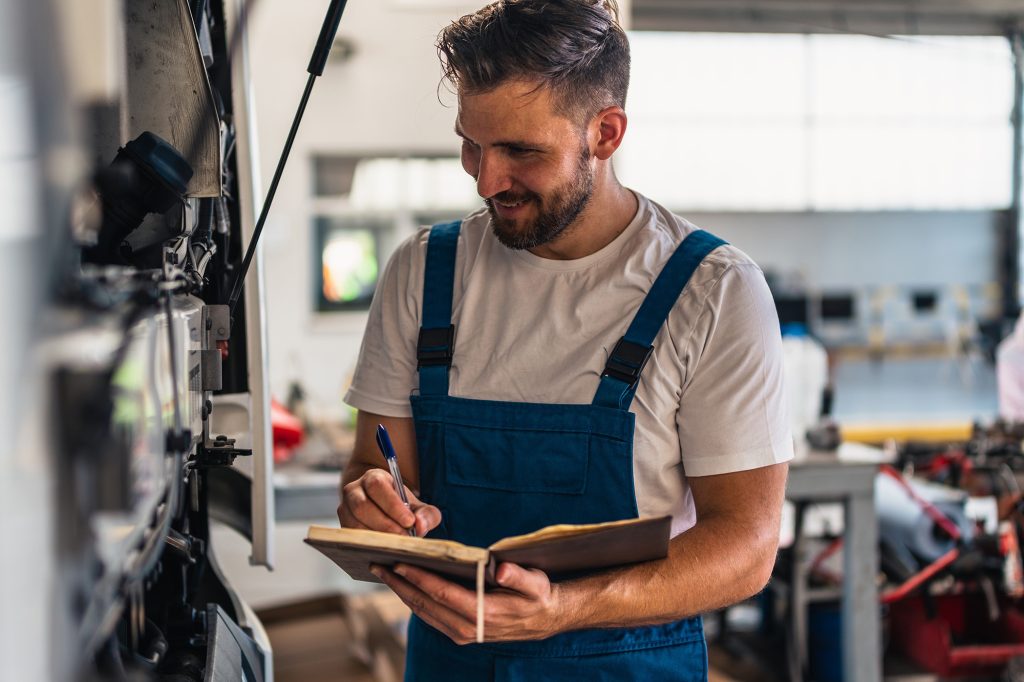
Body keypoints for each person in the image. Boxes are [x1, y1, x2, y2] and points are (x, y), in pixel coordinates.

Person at [338, 1, 792, 679]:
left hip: (630, 665)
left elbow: (747, 547)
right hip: (450, 662)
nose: (488, 180)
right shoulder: (422, 273)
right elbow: (371, 469)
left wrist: (566, 609)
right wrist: (368, 502)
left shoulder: (712, 292)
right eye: (471, 144)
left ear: (605, 134)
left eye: (520, 150)